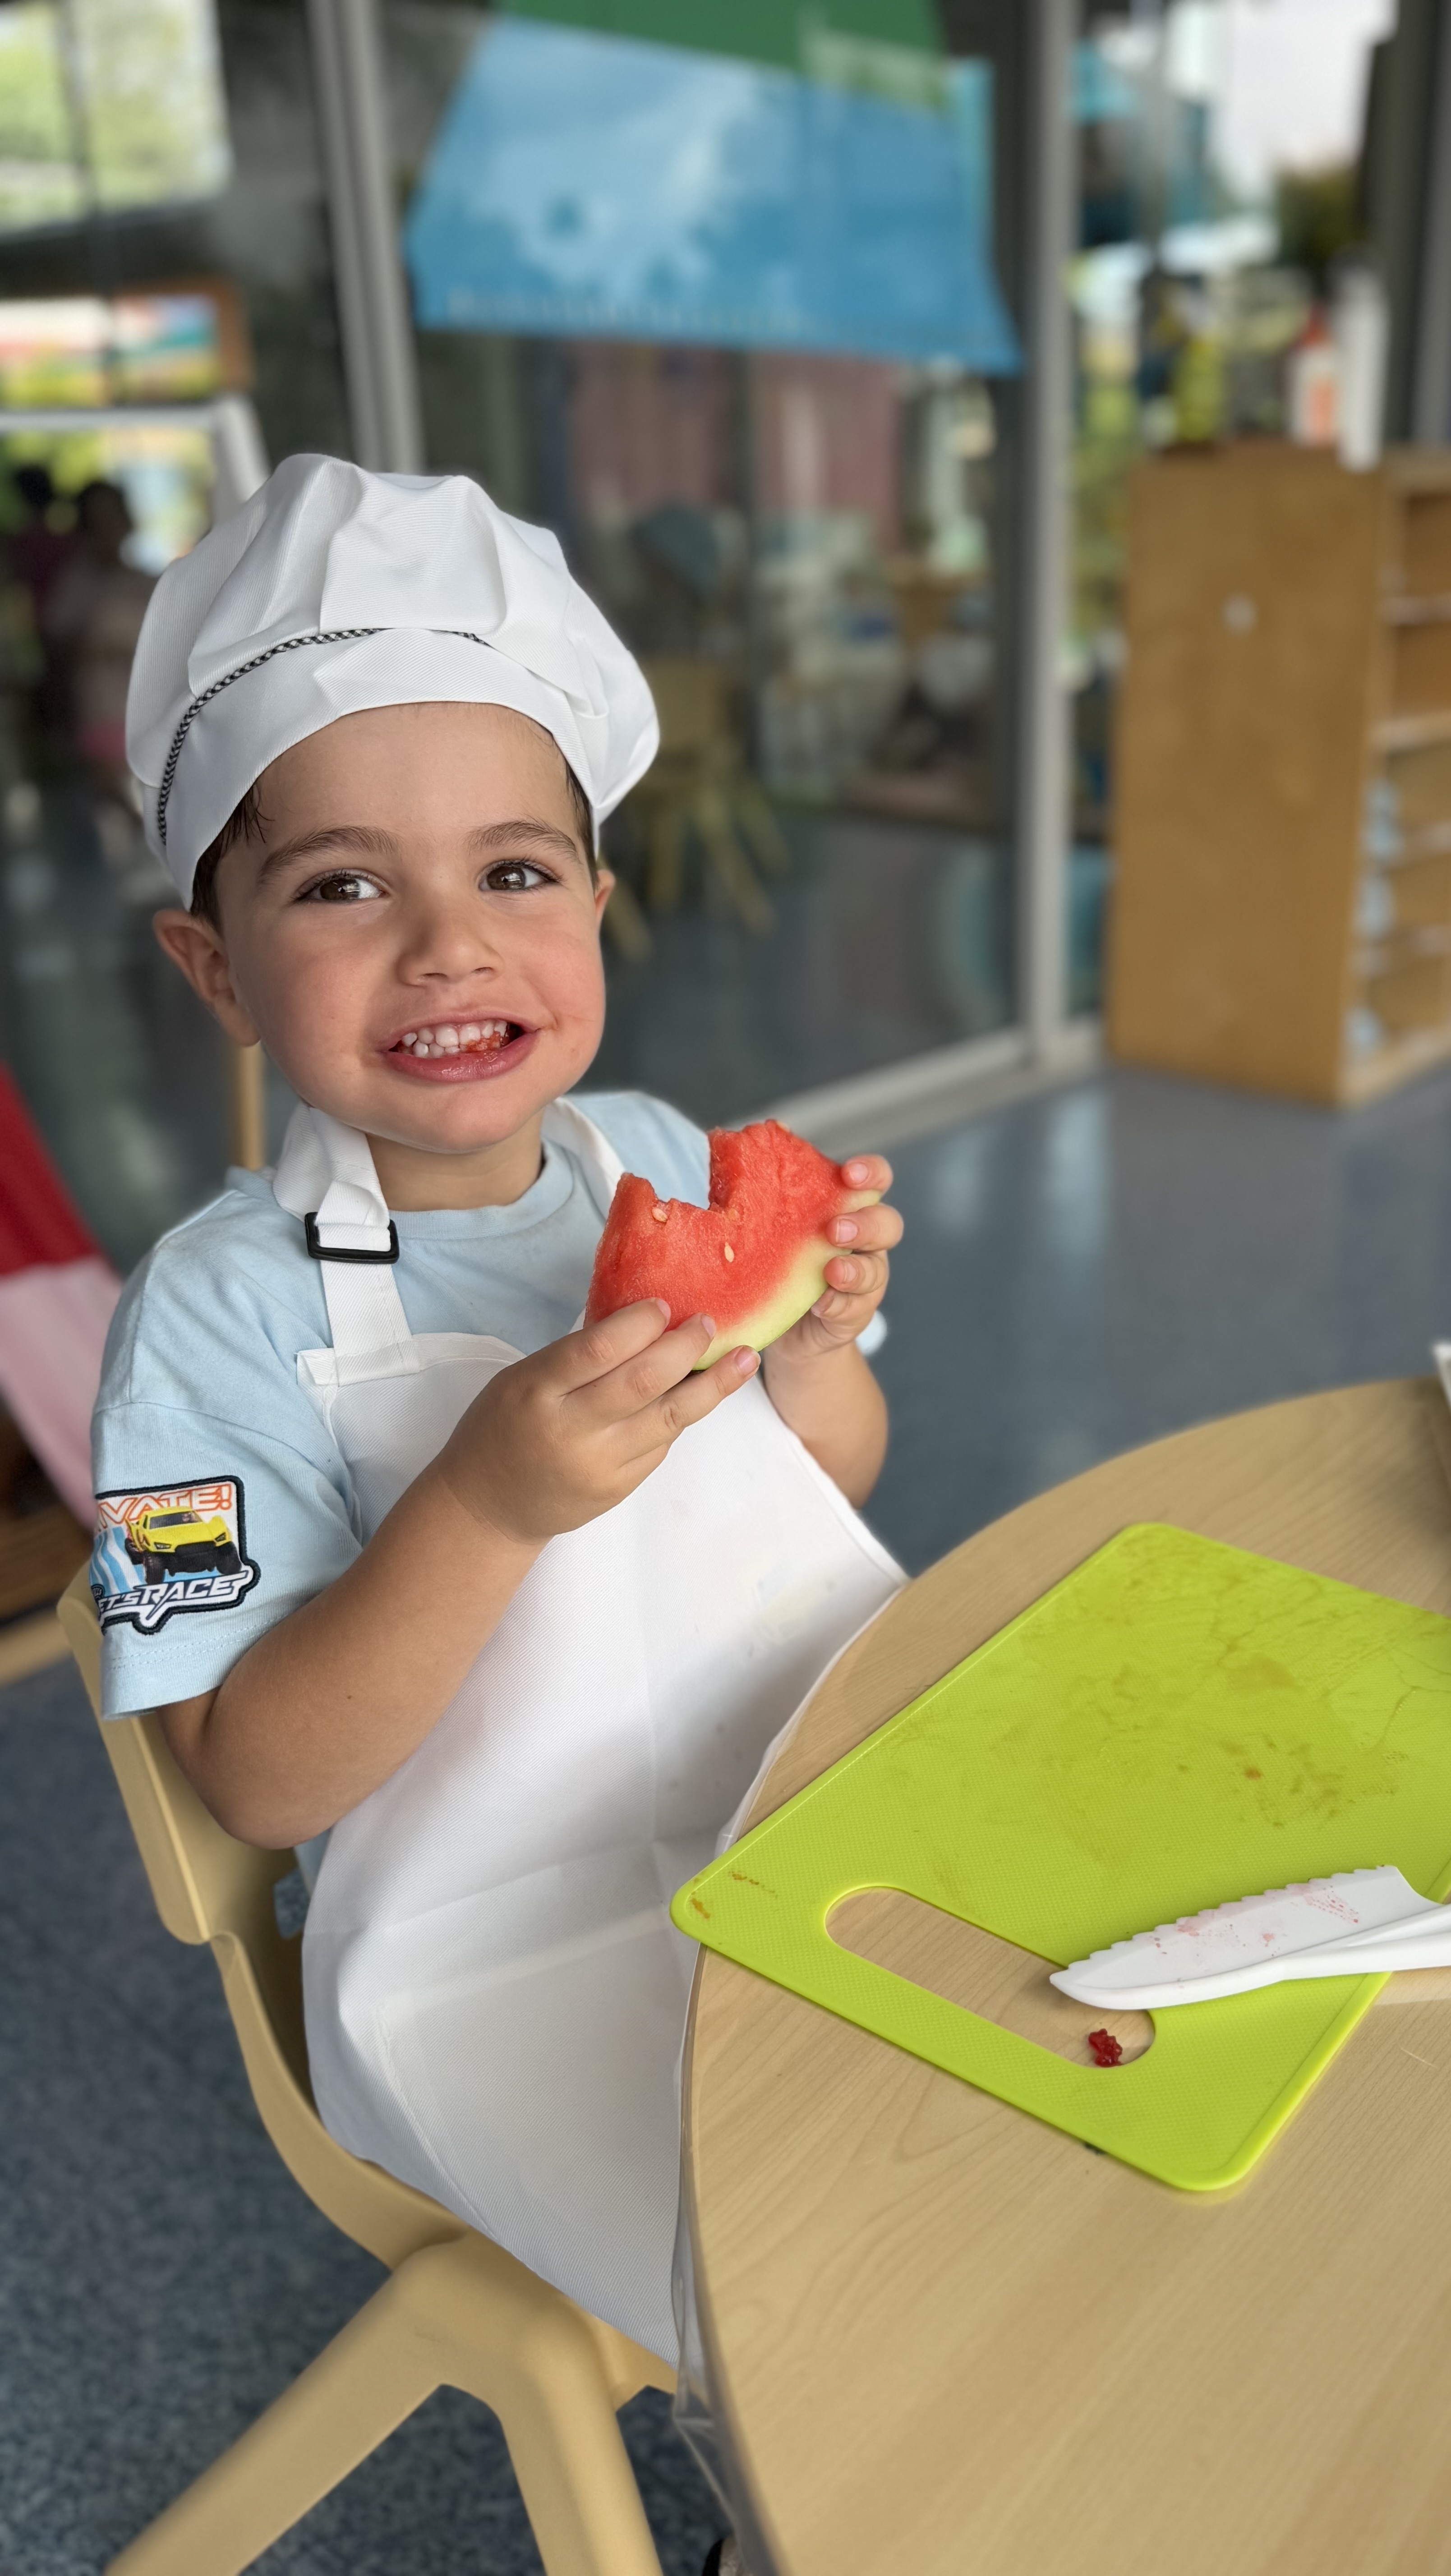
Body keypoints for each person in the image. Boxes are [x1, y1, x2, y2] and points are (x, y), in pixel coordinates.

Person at [89, 457, 906, 2416]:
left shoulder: (658, 1160)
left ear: (599, 901)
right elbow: (253, 1779)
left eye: (515, 871)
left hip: (792, 1811)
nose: (449, 946)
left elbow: (823, 1485)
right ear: (212, 963)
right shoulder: (202, 1324)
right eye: (344, 883)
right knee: (832, 2273)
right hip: (491, 1961)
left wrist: (819, 1344)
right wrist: (481, 1501)